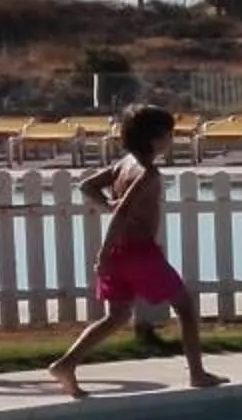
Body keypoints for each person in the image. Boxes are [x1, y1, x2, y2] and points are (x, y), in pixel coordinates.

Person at [49, 105, 226, 397]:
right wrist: (103, 252)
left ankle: (66, 364)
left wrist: (107, 208)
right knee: (185, 307)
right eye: (170, 134)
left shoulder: (125, 164)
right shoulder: (147, 174)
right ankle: (197, 373)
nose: (172, 139)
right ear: (155, 139)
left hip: (121, 252)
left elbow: (87, 186)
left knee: (116, 316)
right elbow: (122, 214)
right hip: (140, 253)